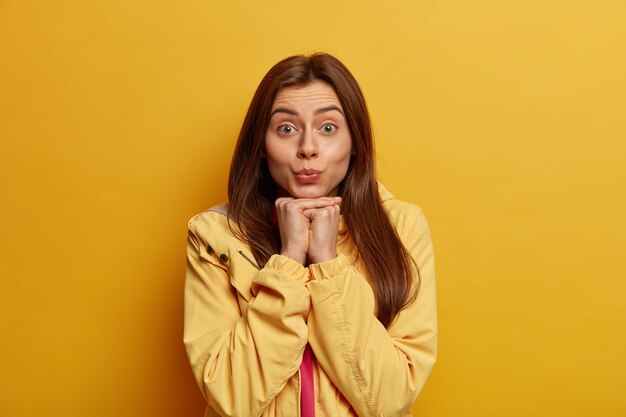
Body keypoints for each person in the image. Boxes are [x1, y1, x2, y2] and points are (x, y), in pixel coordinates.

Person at [183, 52, 437, 417]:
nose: (308, 148)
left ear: (355, 143)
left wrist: (327, 264)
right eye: (286, 128)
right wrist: (288, 261)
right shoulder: (214, 236)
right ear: (261, 146)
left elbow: (390, 398)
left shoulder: (402, 227)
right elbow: (231, 398)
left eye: (328, 128)